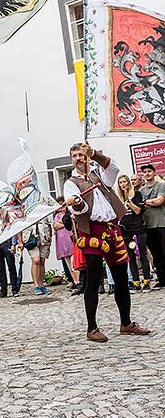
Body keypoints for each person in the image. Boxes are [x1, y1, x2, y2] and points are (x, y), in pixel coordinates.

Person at [63, 142, 150, 342]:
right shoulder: (71, 183)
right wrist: (76, 202)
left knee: (121, 278)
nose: (79, 158)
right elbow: (80, 208)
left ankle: (126, 323)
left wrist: (93, 153)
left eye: (81, 154)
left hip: (112, 229)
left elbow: (114, 169)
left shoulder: (99, 175)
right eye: (75, 155)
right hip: (91, 232)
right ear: (72, 159)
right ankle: (92, 328)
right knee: (94, 279)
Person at [116, 175, 150, 290]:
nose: (123, 184)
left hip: (137, 228)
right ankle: (135, 281)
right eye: (120, 182)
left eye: (125, 182)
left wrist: (128, 200)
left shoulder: (136, 194)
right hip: (126, 230)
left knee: (142, 254)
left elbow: (137, 210)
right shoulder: (118, 198)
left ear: (128, 183)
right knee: (131, 257)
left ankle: (146, 280)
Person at [138, 163, 165, 288]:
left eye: (149, 171)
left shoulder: (161, 186)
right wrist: (148, 203)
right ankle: (162, 279)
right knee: (156, 254)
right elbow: (138, 206)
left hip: (161, 224)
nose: (147, 173)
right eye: (145, 172)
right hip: (148, 226)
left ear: (154, 173)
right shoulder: (141, 190)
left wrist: (146, 202)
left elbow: (159, 201)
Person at [53, 199, 78, 289]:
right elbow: (55, 226)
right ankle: (74, 280)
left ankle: (78, 280)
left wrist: (62, 223)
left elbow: (70, 223)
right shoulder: (57, 216)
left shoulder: (69, 213)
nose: (61, 207)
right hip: (62, 242)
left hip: (70, 239)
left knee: (73, 261)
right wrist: (64, 223)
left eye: (63, 205)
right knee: (68, 264)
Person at [26, 217, 53, 296]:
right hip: (31, 236)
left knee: (42, 261)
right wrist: (20, 241)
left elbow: (49, 223)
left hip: (44, 235)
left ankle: (41, 284)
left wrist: (50, 236)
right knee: (36, 260)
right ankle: (36, 285)